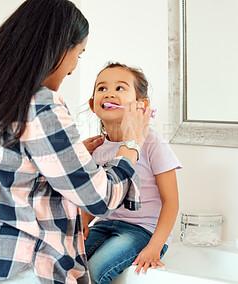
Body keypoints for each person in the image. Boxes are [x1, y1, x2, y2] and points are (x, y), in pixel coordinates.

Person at [0, 1, 152, 283]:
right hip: (9, 271)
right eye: (79, 55)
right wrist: (131, 145)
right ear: (58, 50)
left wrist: (59, 163)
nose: (74, 68)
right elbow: (99, 199)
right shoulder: (41, 106)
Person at [82, 62, 181, 284]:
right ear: (92, 104)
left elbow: (171, 201)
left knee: (95, 271)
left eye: (120, 88)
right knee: (68, 263)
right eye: (102, 88)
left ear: (141, 105)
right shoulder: (95, 148)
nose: (109, 93)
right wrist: (83, 222)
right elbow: (93, 195)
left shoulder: (153, 143)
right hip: (105, 224)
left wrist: (155, 247)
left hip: (143, 231)